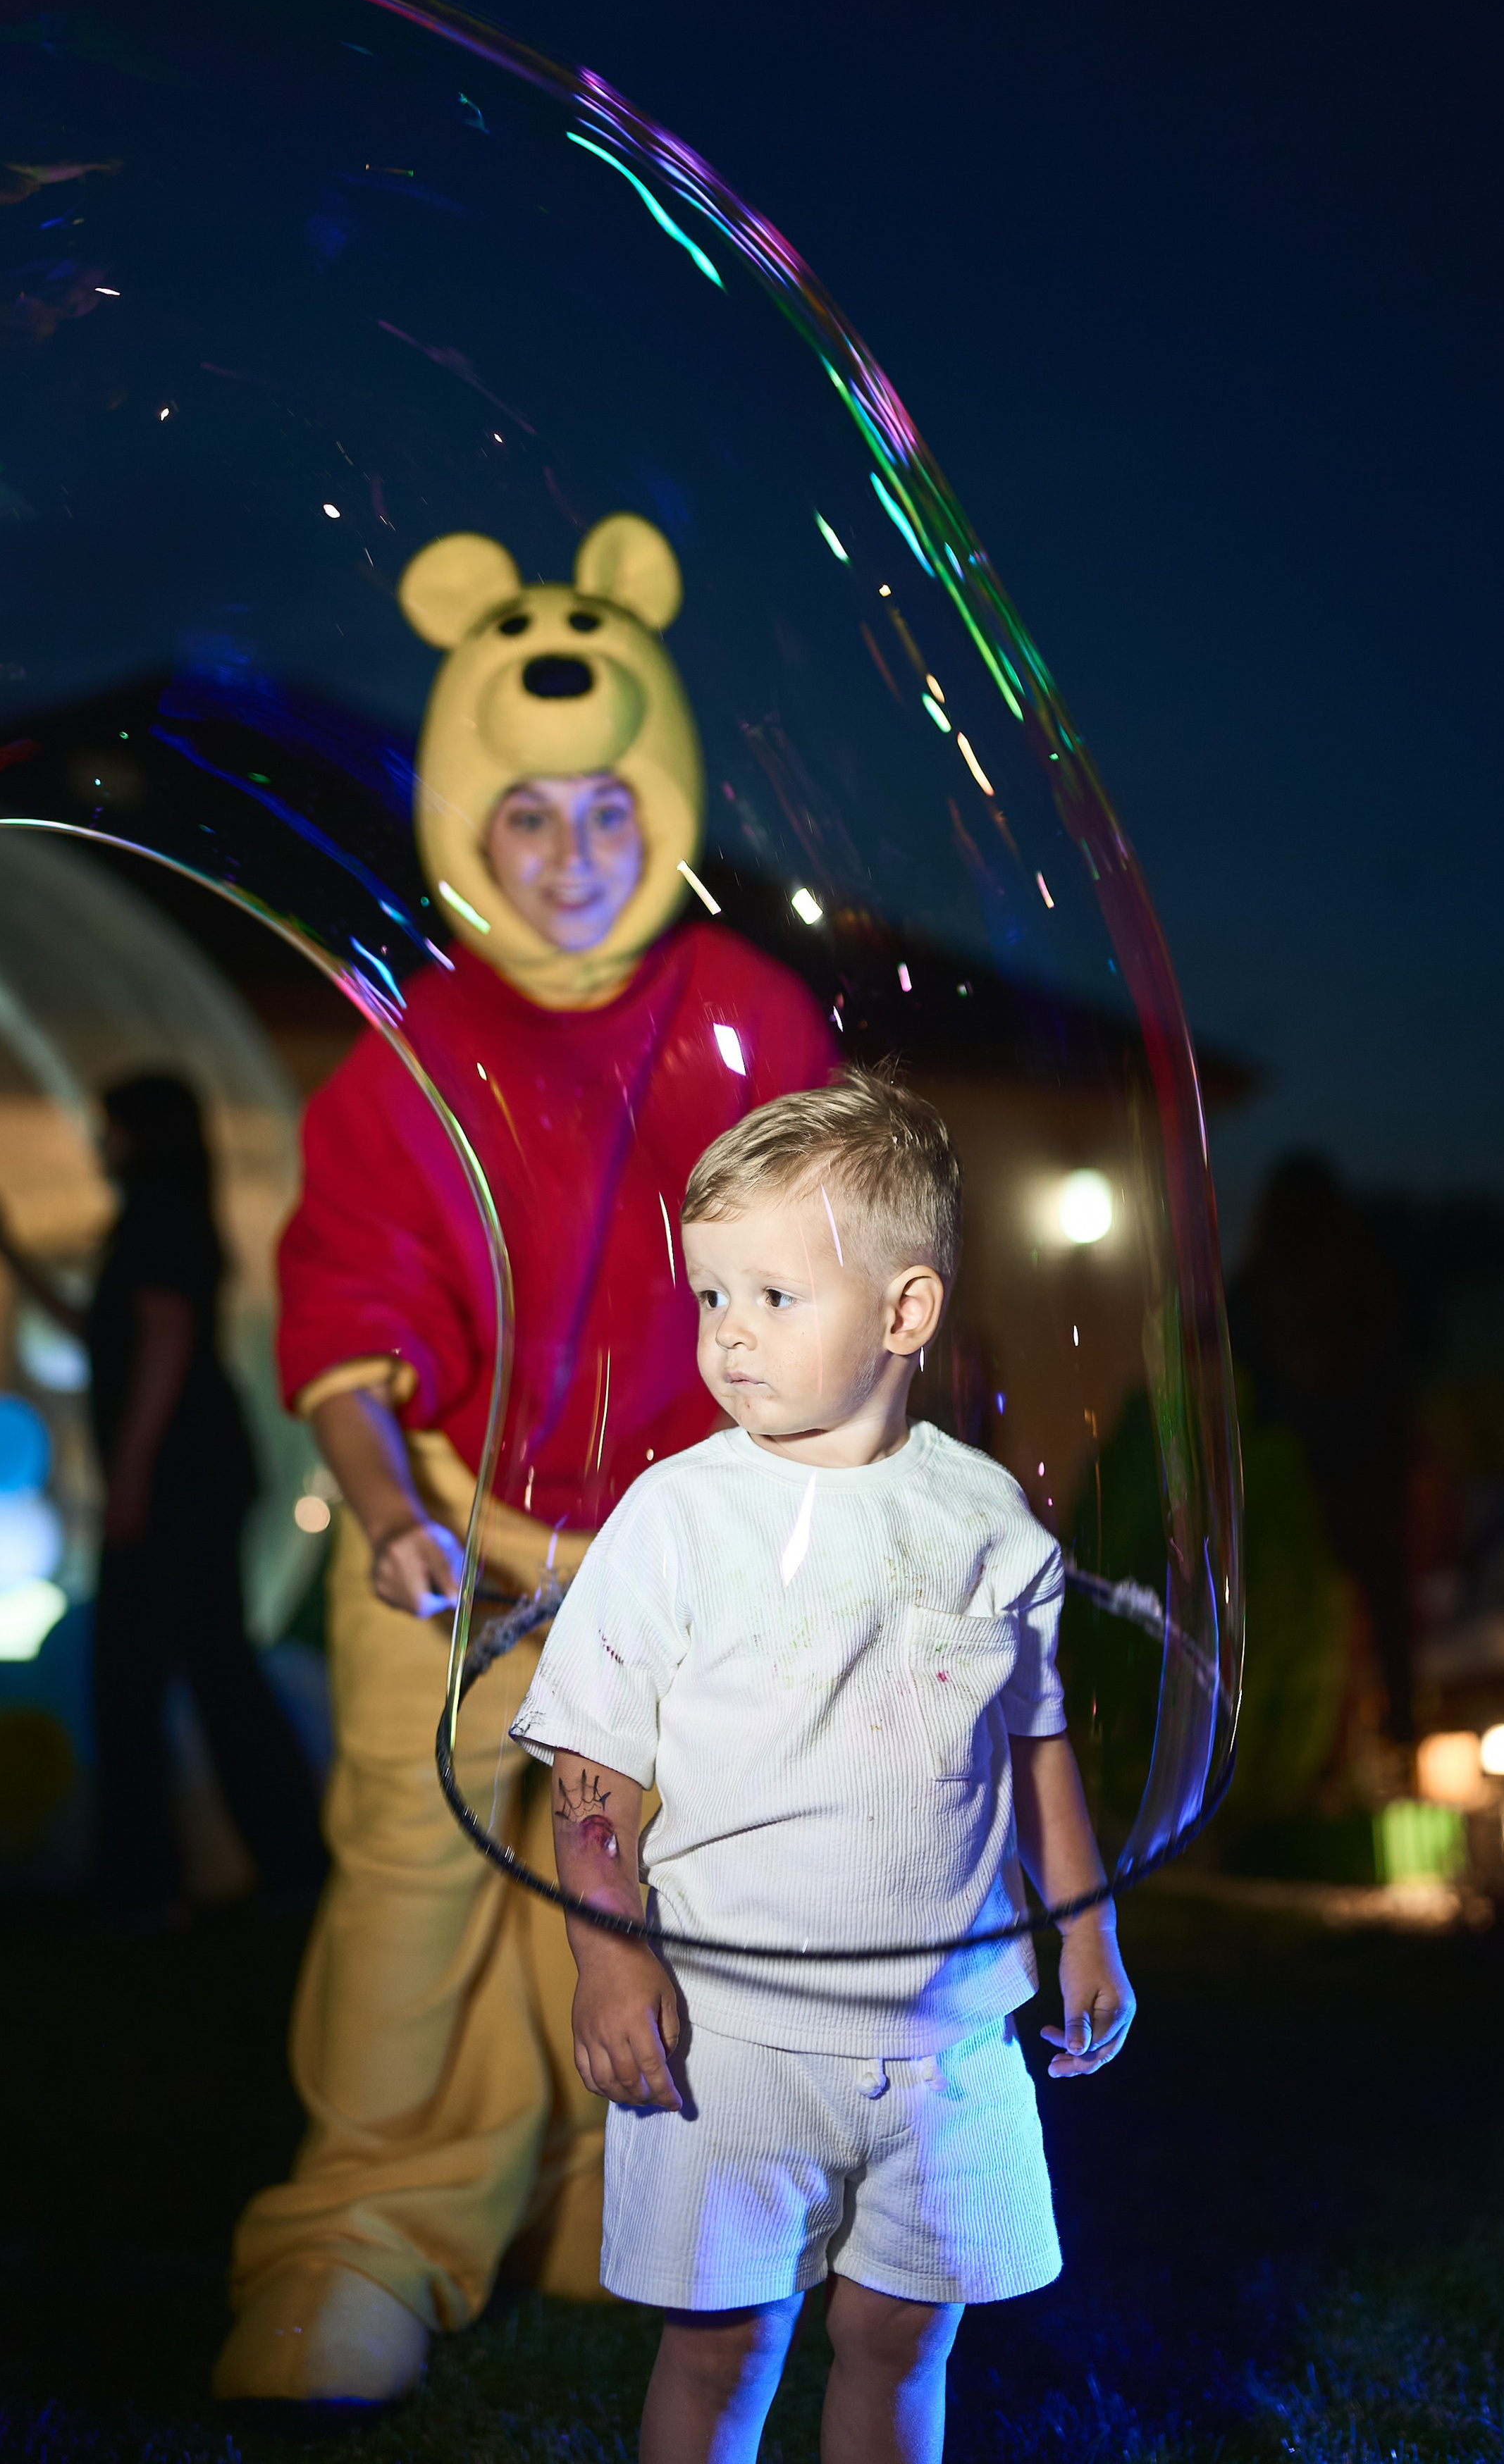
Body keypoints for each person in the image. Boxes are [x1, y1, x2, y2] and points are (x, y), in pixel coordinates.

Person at [216, 513, 839, 2405]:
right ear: (465, 821)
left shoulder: (748, 1016)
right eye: (527, 814)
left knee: (656, 1889)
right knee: (417, 1893)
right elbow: (349, 1297)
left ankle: (606, 2200)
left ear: (664, 800)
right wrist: (390, 1509)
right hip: (457, 1529)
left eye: (604, 809)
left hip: (683, 1552)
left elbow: (823, 1282)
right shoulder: (414, 1041)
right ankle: (360, 2240)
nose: (570, 855)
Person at [510, 1067, 1135, 2464]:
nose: (728, 1334)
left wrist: (1085, 1929)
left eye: (773, 1297)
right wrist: (609, 1956)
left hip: (947, 2032)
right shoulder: (676, 1519)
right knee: (722, 2342)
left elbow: (1031, 1745)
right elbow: (593, 1766)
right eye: (711, 1296)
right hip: (729, 2035)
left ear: (905, 1313)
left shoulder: (984, 1523)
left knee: (903, 2334)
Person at [0, 1073, 326, 1914]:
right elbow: (105, 1331)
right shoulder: (166, 1218)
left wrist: (130, 1475)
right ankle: (282, 1864)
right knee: (214, 1667)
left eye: (112, 1126)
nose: (102, 1142)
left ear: (143, 1136)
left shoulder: (159, 1219)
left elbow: (164, 1338)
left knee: (136, 1672)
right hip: (199, 1476)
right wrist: (3, 1248)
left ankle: (146, 1877)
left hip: (181, 1483)